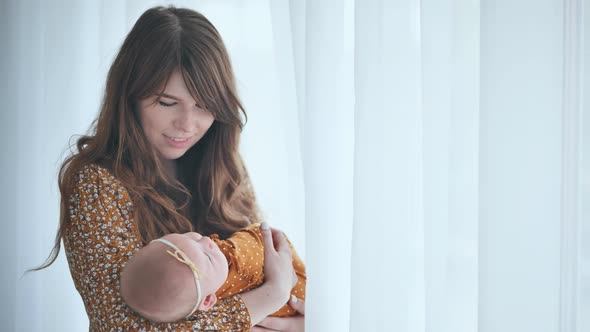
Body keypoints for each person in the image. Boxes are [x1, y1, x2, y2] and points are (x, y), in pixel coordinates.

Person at [30, 5, 305, 331]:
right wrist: (271, 297)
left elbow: (264, 265)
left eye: (204, 106)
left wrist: (294, 324)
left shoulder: (222, 166)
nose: (187, 125)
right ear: (129, 95)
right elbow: (123, 325)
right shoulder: (96, 184)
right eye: (167, 103)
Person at [120, 223, 306, 323]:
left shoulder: (200, 290)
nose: (209, 242)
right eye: (208, 257)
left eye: (191, 238)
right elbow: (260, 235)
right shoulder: (237, 263)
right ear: (208, 301)